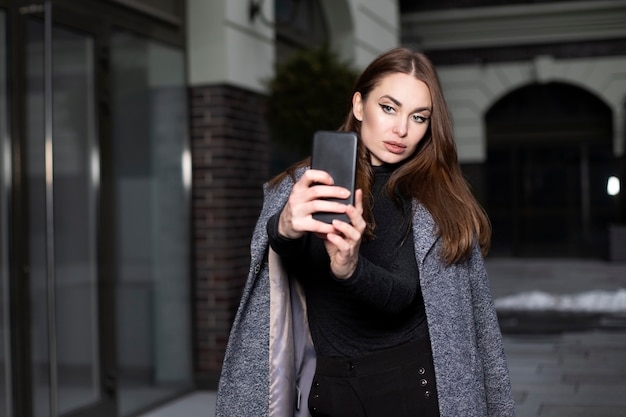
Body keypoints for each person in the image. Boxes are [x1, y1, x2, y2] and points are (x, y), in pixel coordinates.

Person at [215, 47, 516, 417]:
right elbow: (281, 264)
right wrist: (283, 227)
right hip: (332, 390)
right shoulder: (301, 186)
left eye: (418, 117)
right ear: (359, 106)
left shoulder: (435, 199)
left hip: (415, 390)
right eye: (388, 108)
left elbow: (402, 296)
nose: (402, 130)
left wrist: (351, 268)